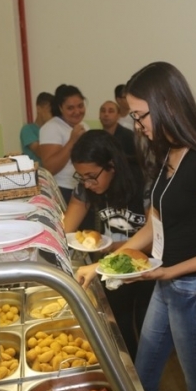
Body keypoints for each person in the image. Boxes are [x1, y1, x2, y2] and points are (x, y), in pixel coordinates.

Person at [78, 61, 196, 391]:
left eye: (140, 115)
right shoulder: (167, 155)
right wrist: (104, 263)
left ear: (166, 104)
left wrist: (171, 270)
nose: (138, 125)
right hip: (167, 285)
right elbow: (154, 225)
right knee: (144, 378)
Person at [65, 130, 153, 361]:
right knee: (120, 325)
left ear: (111, 165)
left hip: (147, 266)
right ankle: (133, 373)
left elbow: (154, 235)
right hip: (109, 268)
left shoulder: (143, 181)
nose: (87, 183)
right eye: (81, 176)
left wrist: (115, 248)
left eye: (92, 176)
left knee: (148, 328)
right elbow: (66, 228)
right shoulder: (86, 186)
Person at [39, 84, 90, 205]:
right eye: (70, 108)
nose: (77, 111)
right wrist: (72, 141)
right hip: (62, 190)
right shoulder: (51, 128)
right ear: (60, 108)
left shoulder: (85, 126)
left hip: (84, 188)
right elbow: (50, 168)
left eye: (80, 106)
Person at [19, 92, 53, 165]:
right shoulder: (27, 129)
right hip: (36, 174)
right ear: (38, 109)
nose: (52, 114)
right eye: (49, 110)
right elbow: (40, 152)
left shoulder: (54, 130)